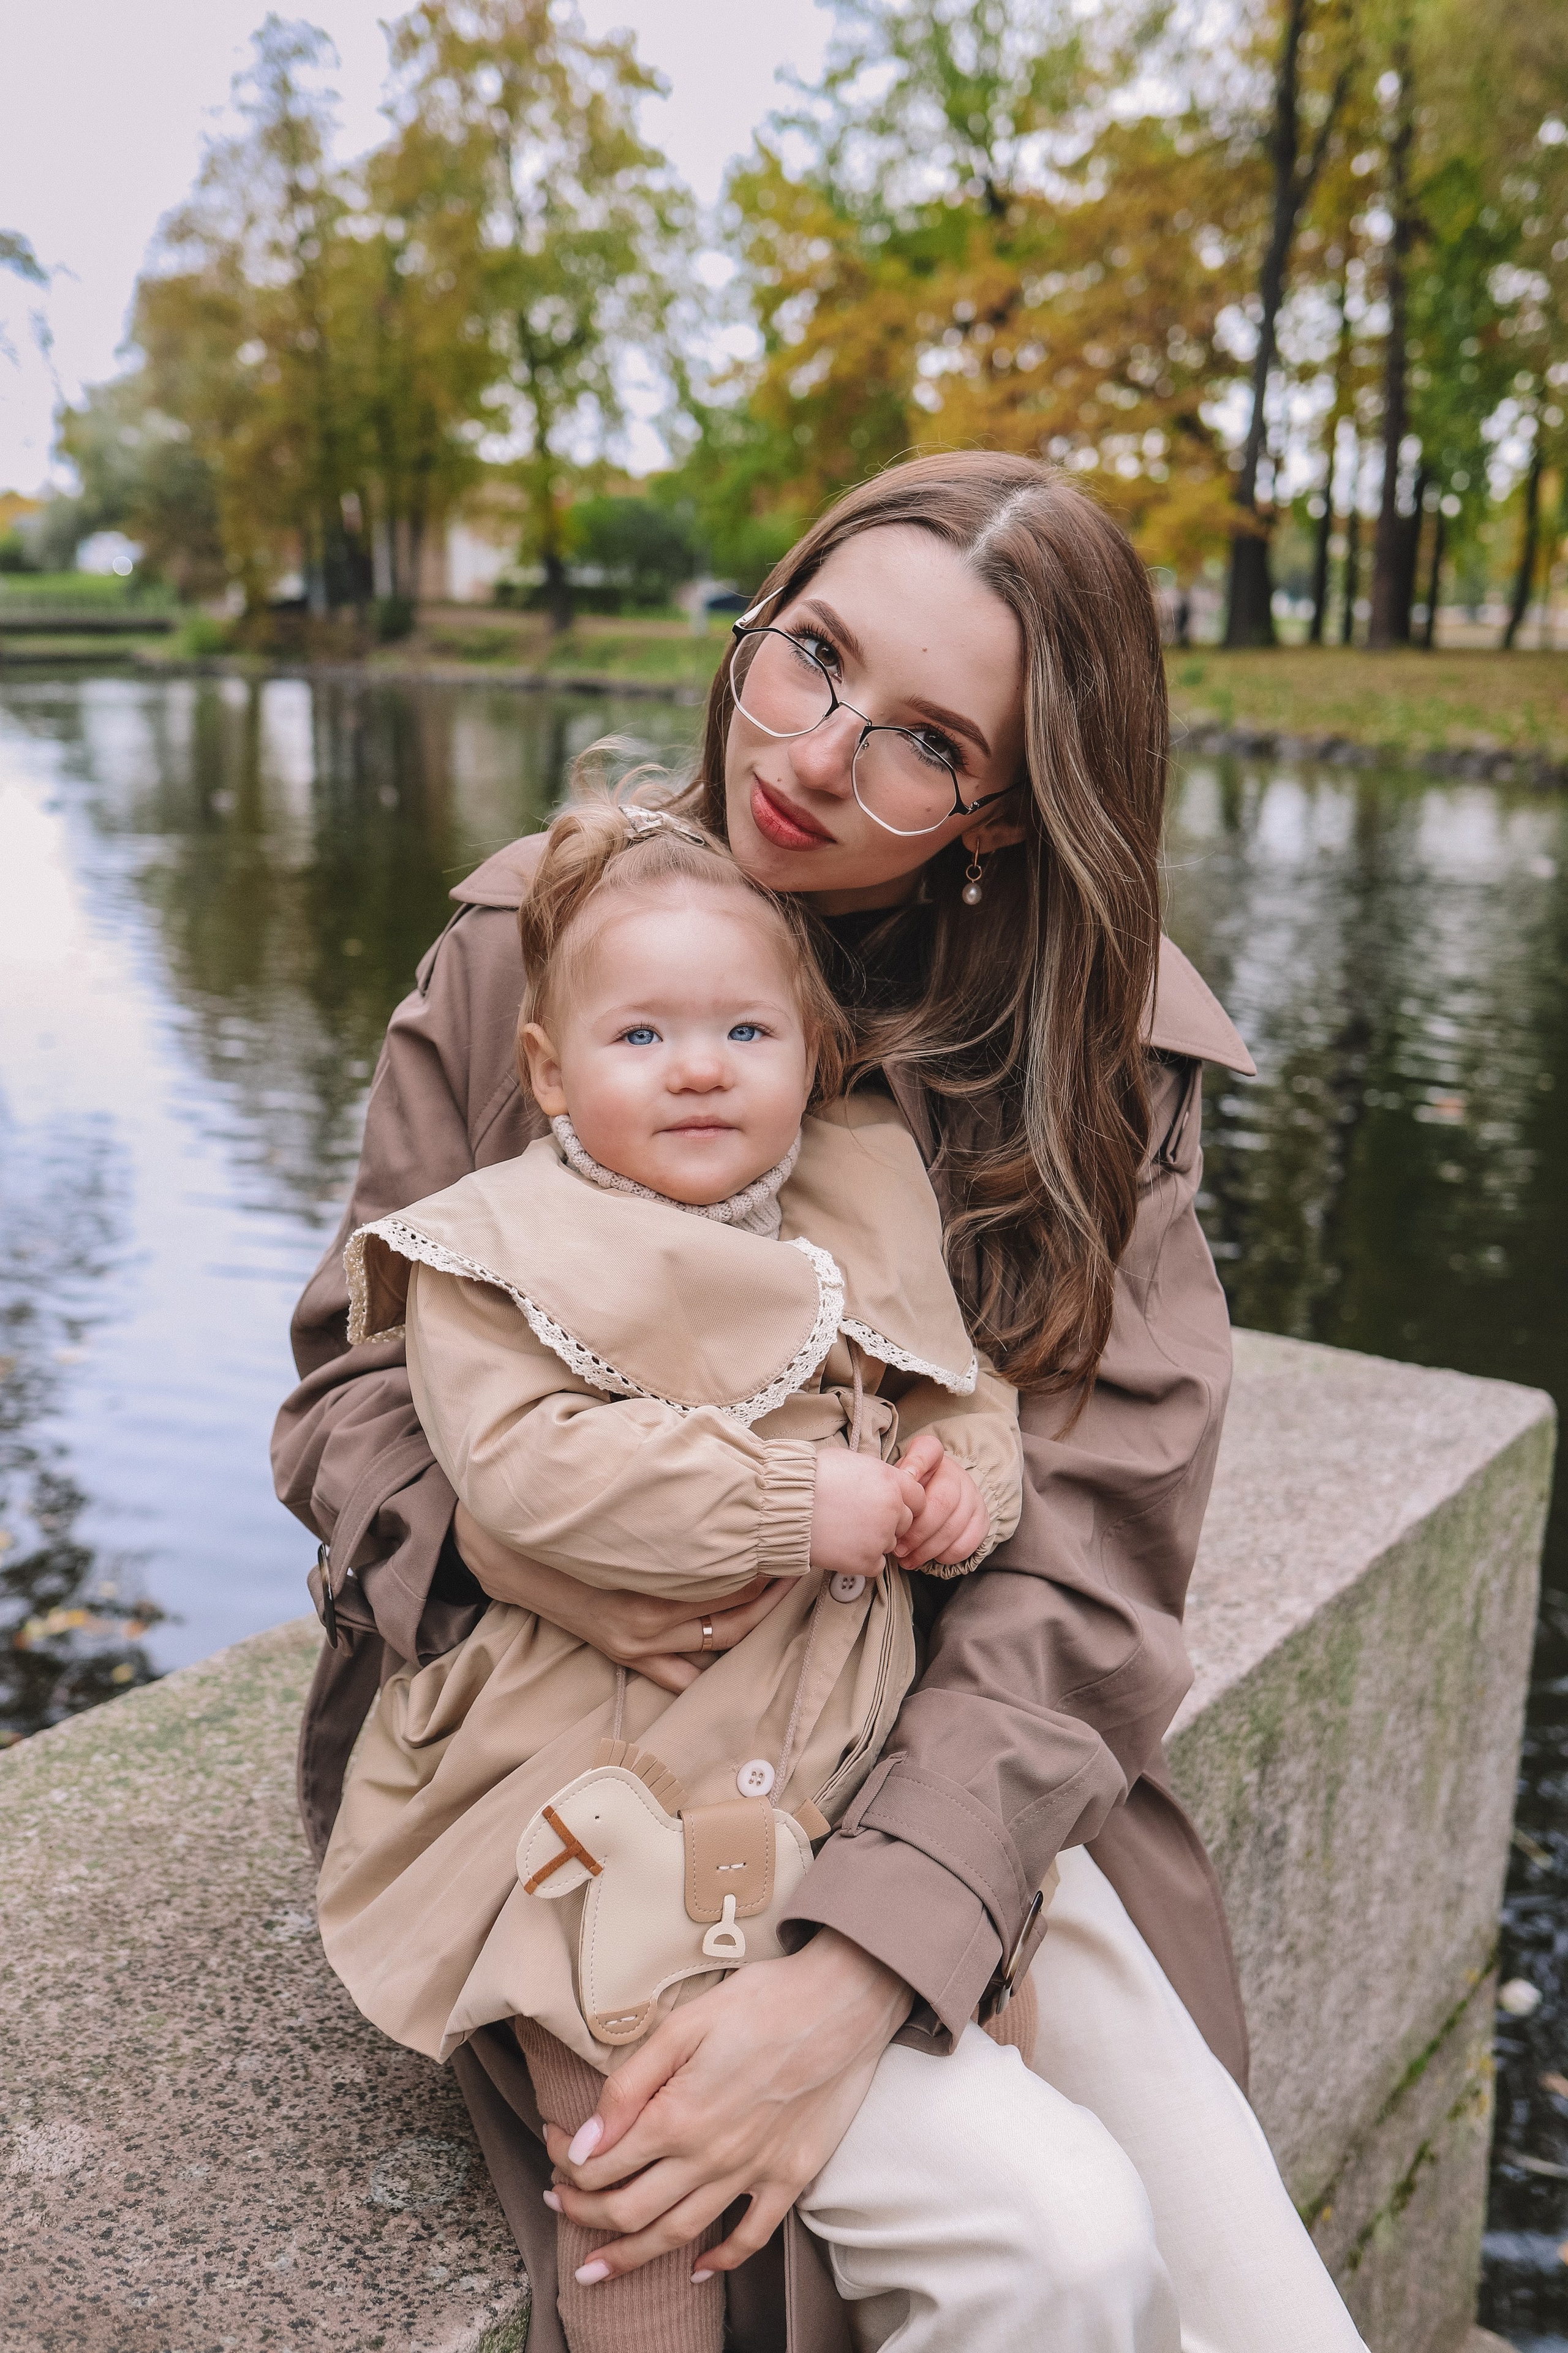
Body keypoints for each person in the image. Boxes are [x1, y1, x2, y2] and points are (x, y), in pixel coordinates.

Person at [275, 450, 1366, 2351]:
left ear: (1008, 816)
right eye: (815, 660)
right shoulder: (532, 945)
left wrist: (865, 1962)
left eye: (926, 742)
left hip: (958, 1747)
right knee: (1044, 2246)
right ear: (761, 619)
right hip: (599, 1761)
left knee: (1256, 2302)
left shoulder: (1098, 1056)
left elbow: (1092, 1558)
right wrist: (531, 1546)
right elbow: (350, 1379)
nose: (815, 750)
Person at [316, 797, 1025, 2352]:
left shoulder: (852, 1198)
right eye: (641, 1035)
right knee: (625, 2126)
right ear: (552, 1074)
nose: (699, 1066)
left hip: (832, 1758)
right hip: (592, 1766)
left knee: (989, 2036)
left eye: (743, 1030)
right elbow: (524, 1467)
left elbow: (960, 1387)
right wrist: (785, 1500)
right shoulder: (504, 1246)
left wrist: (953, 1484)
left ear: (807, 1054)